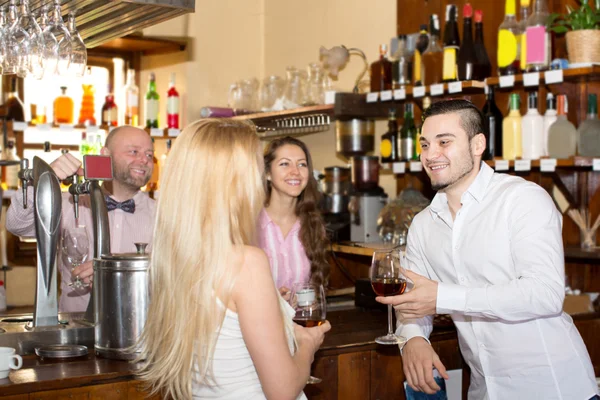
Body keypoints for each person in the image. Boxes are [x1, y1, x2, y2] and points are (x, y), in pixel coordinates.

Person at [377, 100, 598, 400]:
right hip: (485, 391)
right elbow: (414, 301)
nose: (431, 154)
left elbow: (545, 294)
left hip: (553, 388)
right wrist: (414, 339)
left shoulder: (522, 199)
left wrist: (444, 297)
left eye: (444, 142)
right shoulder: (423, 225)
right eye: (425, 144)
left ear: (477, 144)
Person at [135, 120, 330, 399]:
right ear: (233, 182)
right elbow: (283, 390)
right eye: (252, 168)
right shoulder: (246, 262)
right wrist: (307, 344)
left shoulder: (173, 258)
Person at [6, 126, 156, 312]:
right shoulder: (71, 202)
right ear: (105, 154)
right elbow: (17, 225)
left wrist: (117, 274)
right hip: (75, 328)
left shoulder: (162, 215)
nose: (144, 160)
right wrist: (44, 180)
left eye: (149, 155)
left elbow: (176, 278)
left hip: (139, 327)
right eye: (134, 151)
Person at [260, 137, 329, 298]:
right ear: (268, 173)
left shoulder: (312, 225)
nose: (295, 171)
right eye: (285, 163)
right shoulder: (250, 225)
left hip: (300, 322)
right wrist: (270, 300)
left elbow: (315, 290)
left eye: (301, 164)